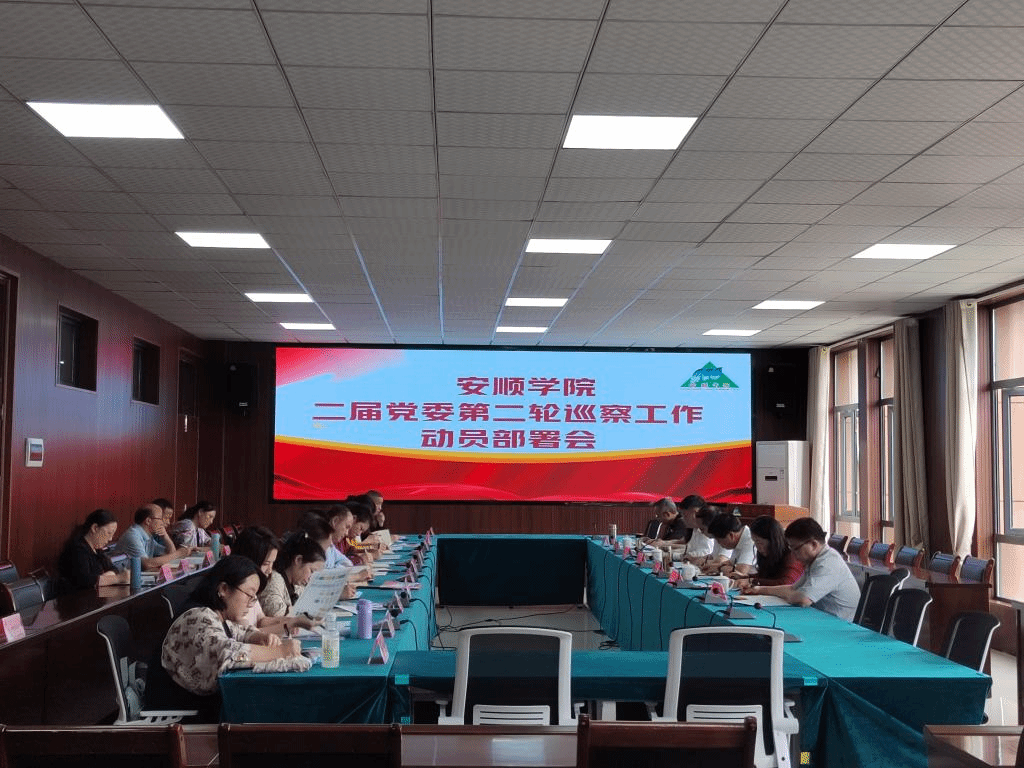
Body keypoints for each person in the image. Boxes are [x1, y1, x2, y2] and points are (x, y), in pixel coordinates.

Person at [153, 556, 308, 721]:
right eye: (249, 595)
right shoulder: (196, 618)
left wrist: (258, 636)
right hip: (179, 719)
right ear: (224, 589)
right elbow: (230, 655)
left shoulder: (215, 616)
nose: (251, 604)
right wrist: (280, 651)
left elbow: (237, 631)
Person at [743, 517, 861, 621]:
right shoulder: (815, 560)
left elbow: (803, 599)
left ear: (813, 545)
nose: (793, 555)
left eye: (796, 549)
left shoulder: (828, 563)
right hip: (820, 618)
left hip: (838, 626)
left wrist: (789, 595)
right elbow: (793, 588)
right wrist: (759, 590)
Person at [232, 526, 321, 635]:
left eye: (272, 563)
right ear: (249, 560)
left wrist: (291, 621)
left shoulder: (253, 586)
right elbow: (245, 635)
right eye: (266, 564)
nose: (270, 571)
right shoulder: (237, 592)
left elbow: (261, 620)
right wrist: (289, 624)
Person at [57, 508, 130, 590]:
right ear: (95, 528)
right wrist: (118, 578)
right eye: (109, 533)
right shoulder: (77, 549)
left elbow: (113, 569)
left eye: (112, 534)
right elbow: (86, 581)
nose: (110, 539)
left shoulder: (97, 550)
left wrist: (104, 579)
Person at [258, 532, 326, 618]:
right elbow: (275, 613)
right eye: (312, 571)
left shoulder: (297, 586)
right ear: (298, 560)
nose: (311, 578)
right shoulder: (274, 579)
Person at [113, 503, 191, 570]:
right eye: (160, 518)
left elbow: (170, 554)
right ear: (148, 521)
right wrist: (179, 553)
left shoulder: (148, 536)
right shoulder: (133, 535)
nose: (162, 522)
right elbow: (147, 564)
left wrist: (166, 537)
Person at [733, 515, 805, 586]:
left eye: (760, 542)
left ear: (773, 540)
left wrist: (751, 581)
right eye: (755, 542)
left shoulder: (792, 553)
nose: (757, 547)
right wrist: (746, 577)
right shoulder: (771, 554)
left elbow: (787, 583)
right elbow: (767, 577)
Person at [706, 510, 757, 576]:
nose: (719, 544)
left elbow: (739, 572)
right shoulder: (739, 539)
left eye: (719, 541)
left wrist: (719, 568)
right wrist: (715, 566)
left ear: (731, 535)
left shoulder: (750, 539)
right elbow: (731, 563)